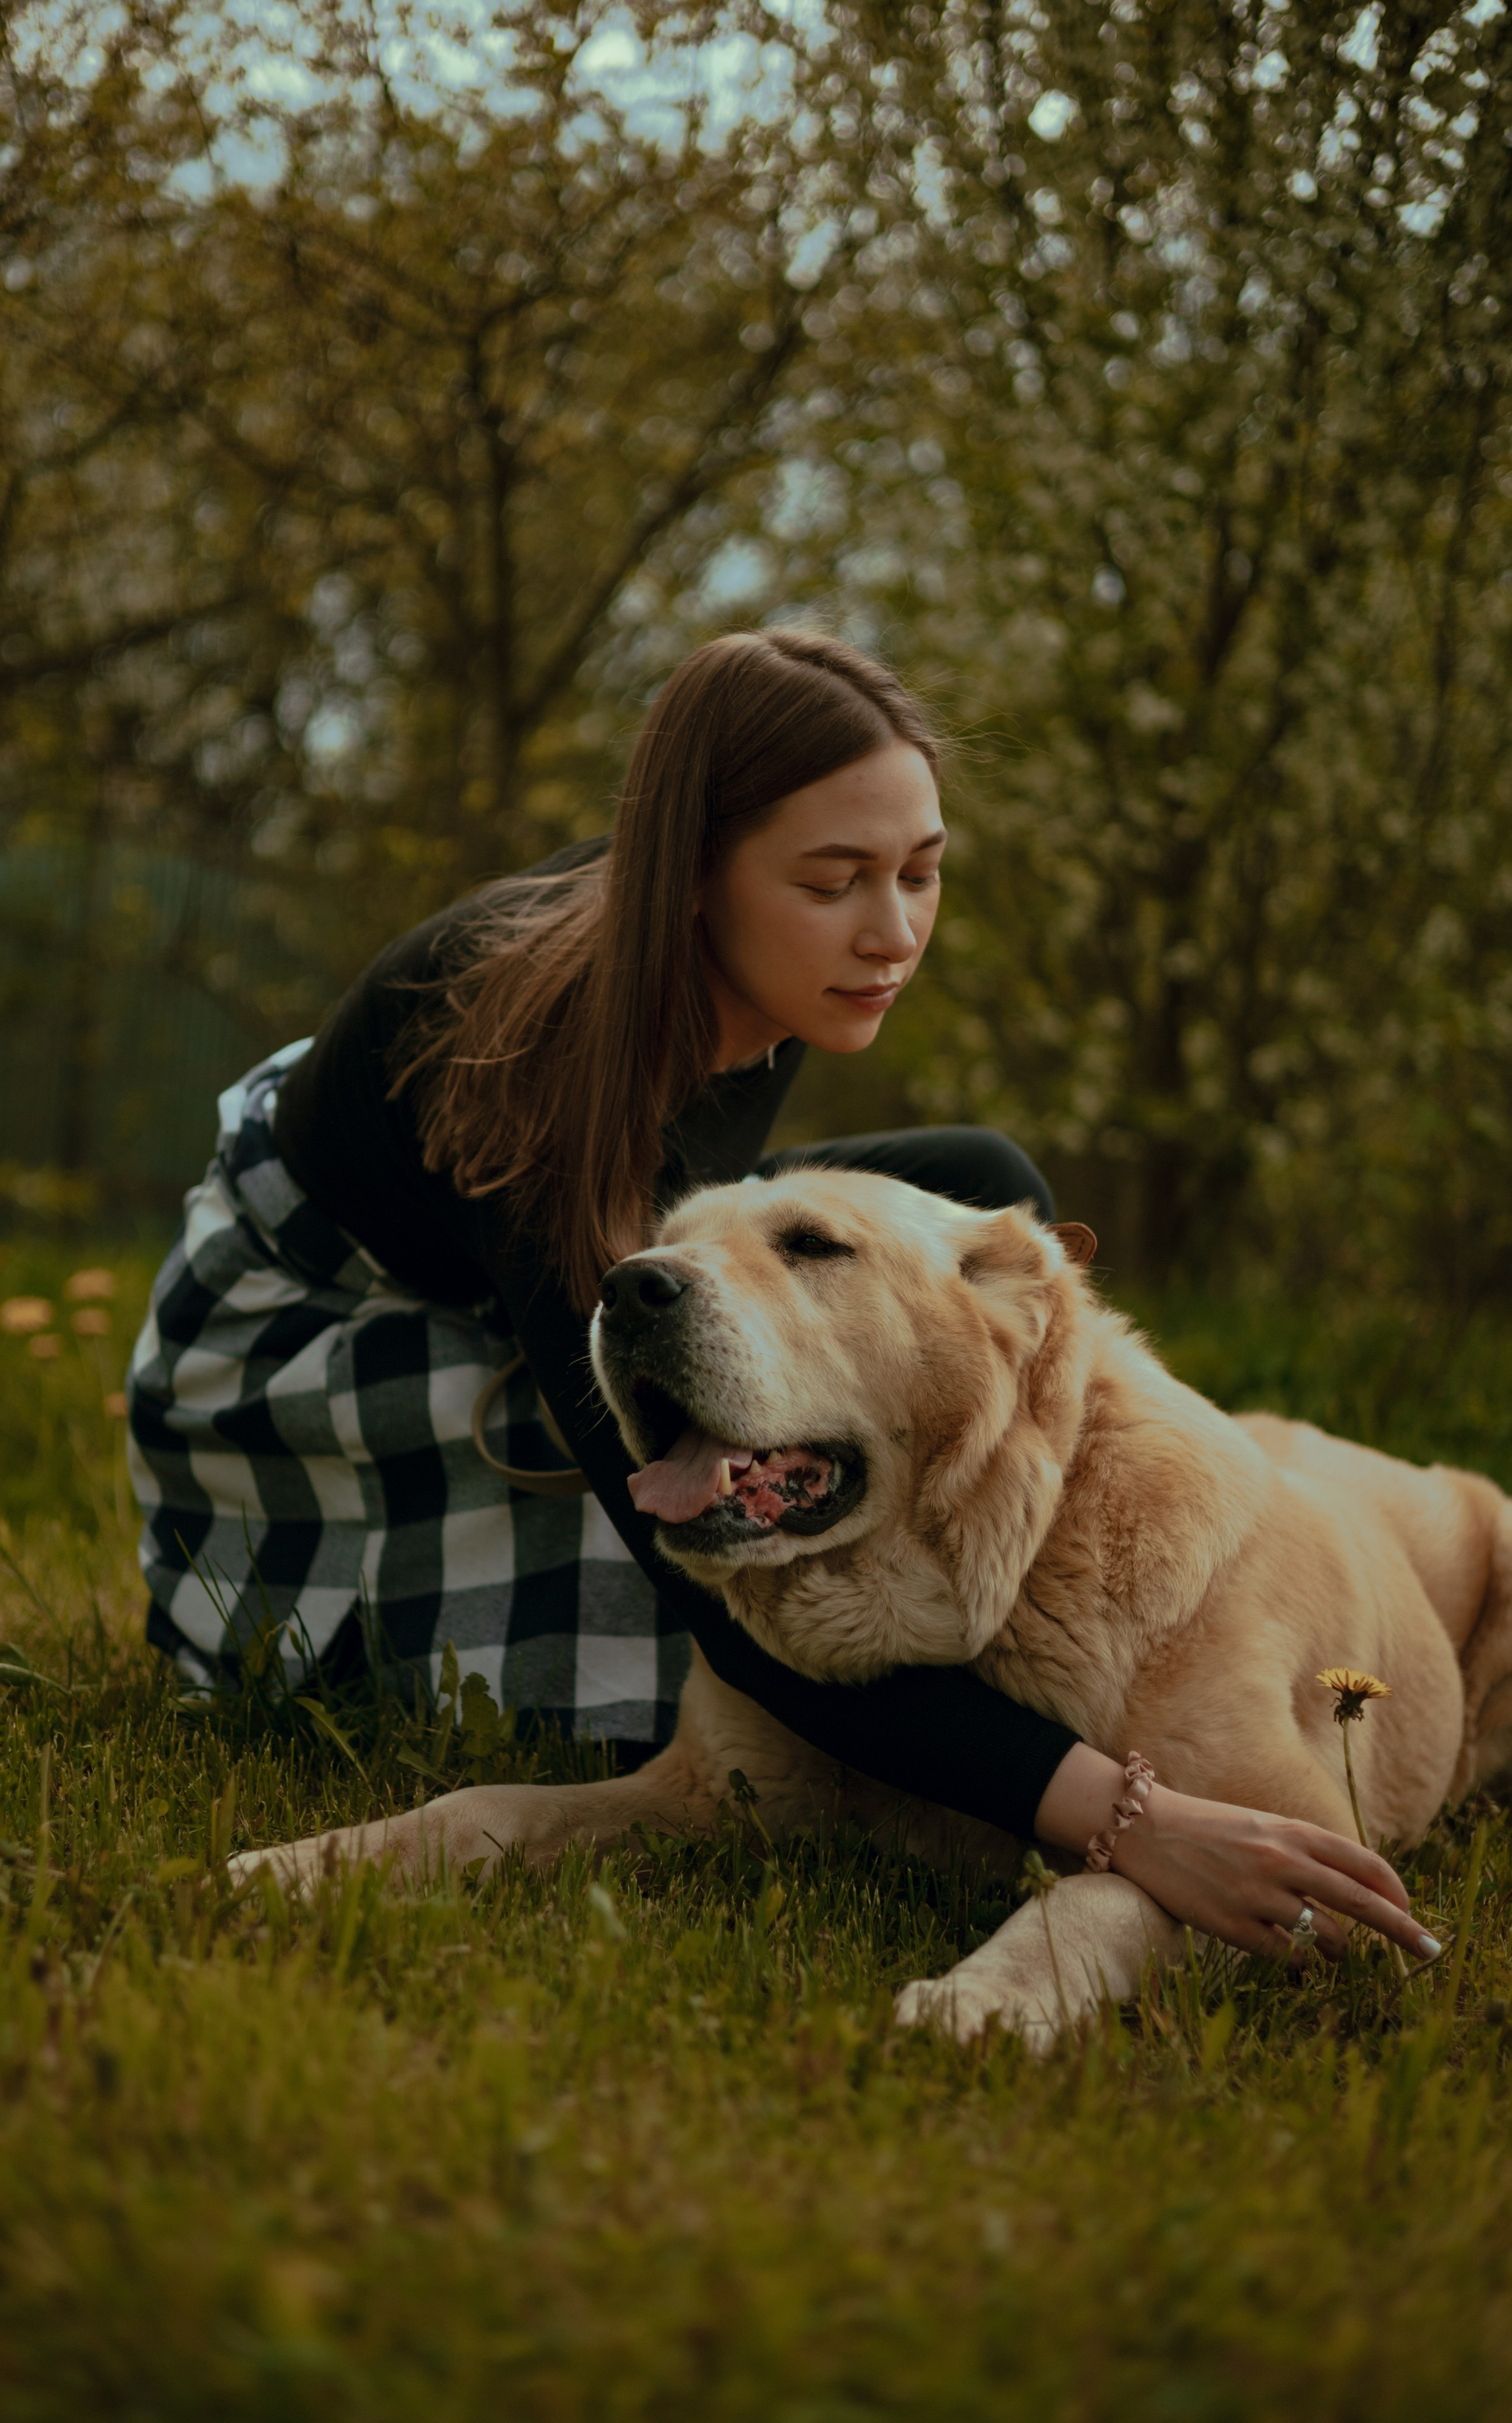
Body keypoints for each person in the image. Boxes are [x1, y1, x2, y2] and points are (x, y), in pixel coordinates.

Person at [128, 626, 1436, 1966]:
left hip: (581, 1242)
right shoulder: (544, 1052)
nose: (892, 932)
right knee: (738, 1629)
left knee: (984, 1179)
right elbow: (730, 1623)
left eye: (918, 873)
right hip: (322, 1344)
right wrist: (1122, 1816)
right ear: (694, 877)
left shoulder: (757, 969)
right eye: (834, 882)